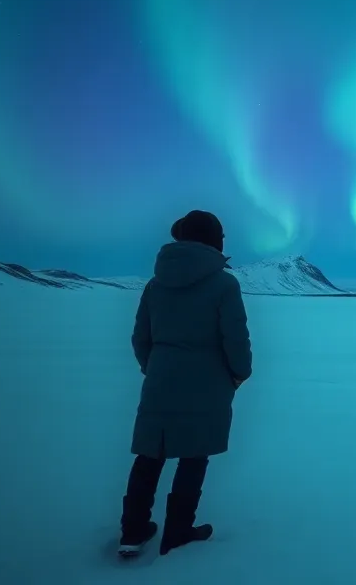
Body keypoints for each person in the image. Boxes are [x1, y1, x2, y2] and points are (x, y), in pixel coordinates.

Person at [117, 210, 252, 559]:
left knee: (150, 453)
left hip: (161, 378)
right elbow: (235, 336)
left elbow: (140, 337)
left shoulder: (155, 283)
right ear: (214, 240)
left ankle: (132, 531)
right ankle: (178, 531)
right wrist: (239, 373)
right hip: (207, 382)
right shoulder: (224, 283)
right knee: (194, 455)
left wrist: (155, 369)